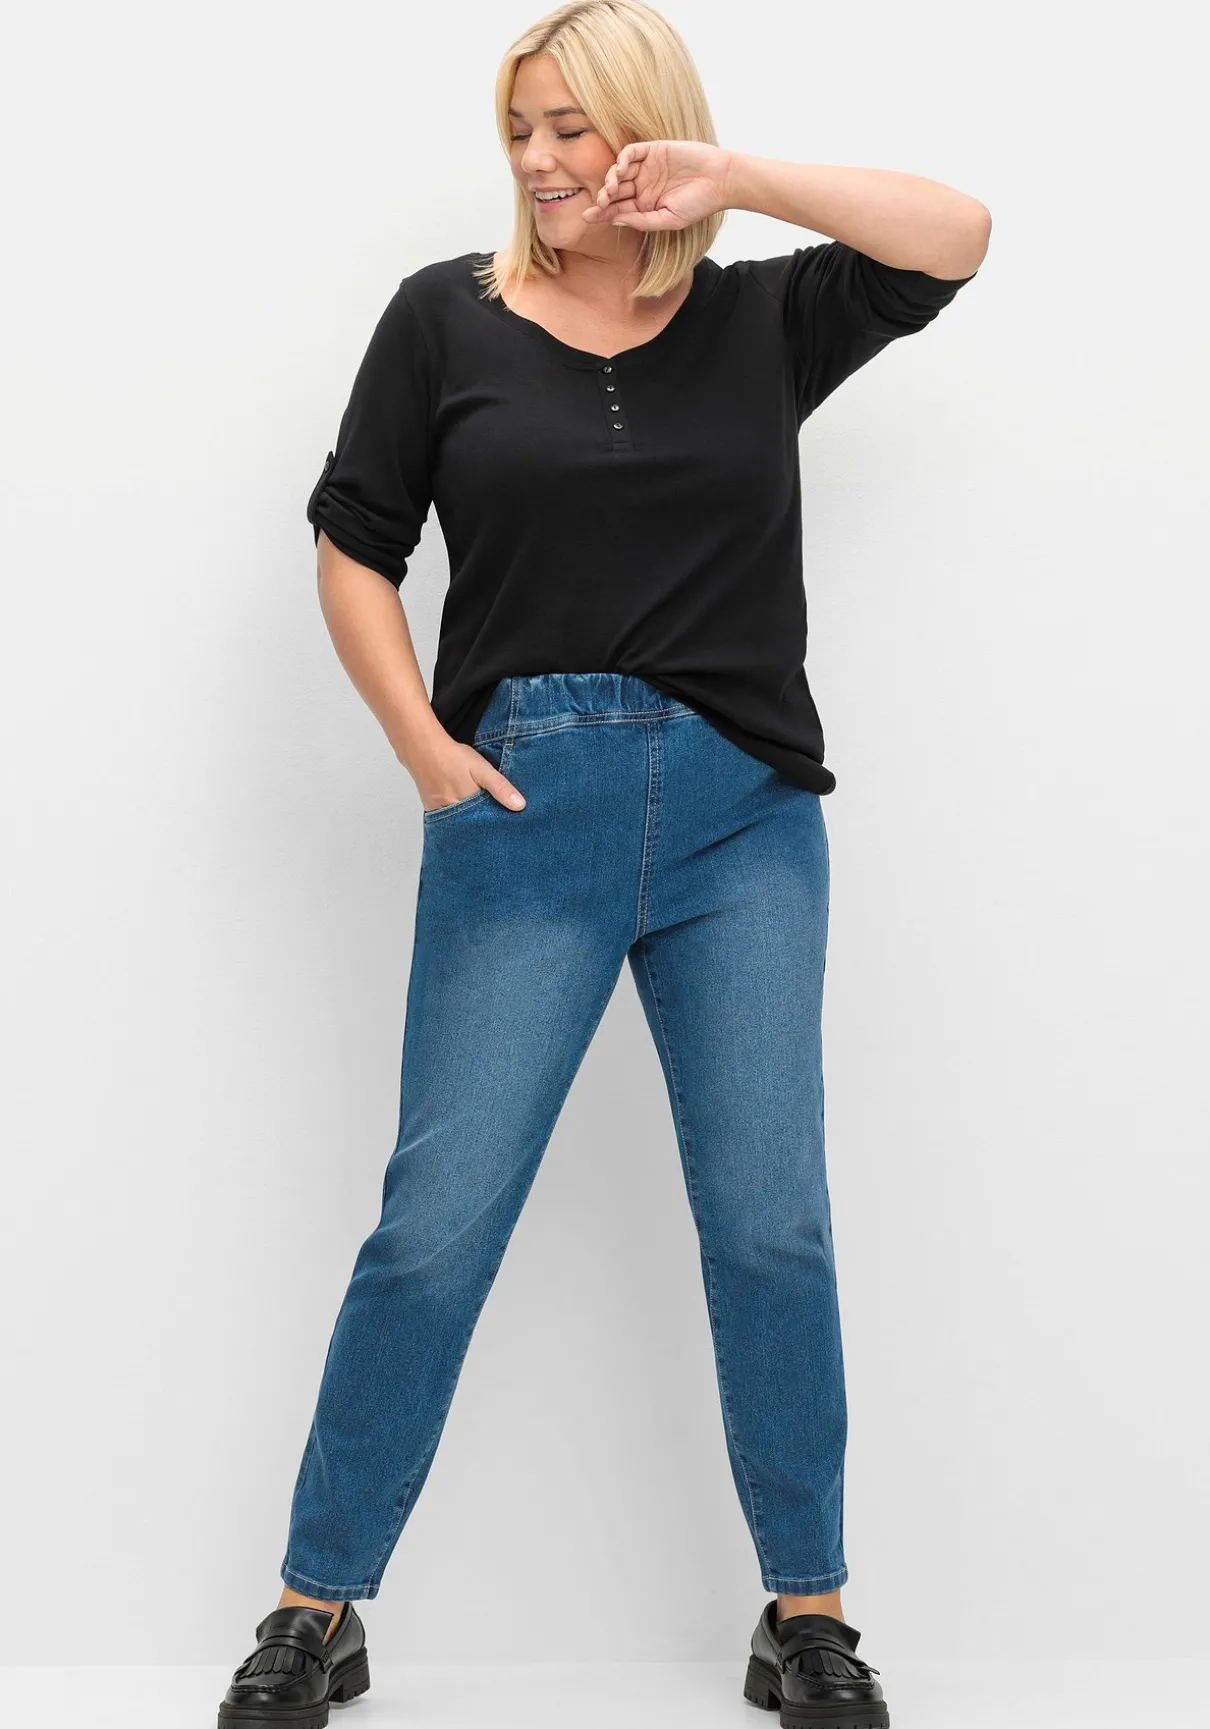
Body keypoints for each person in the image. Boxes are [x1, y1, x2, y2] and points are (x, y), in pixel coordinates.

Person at [217, 3, 989, 1725]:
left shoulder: (763, 319)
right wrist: (421, 746)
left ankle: (806, 1614)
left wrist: (737, 180)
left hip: (741, 821)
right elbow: (353, 543)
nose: (543, 160)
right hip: (523, 815)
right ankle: (315, 1608)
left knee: (770, 1226)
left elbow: (957, 234)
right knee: (433, 1231)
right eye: (520, 129)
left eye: (574, 125)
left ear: (651, 127)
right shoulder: (444, 317)